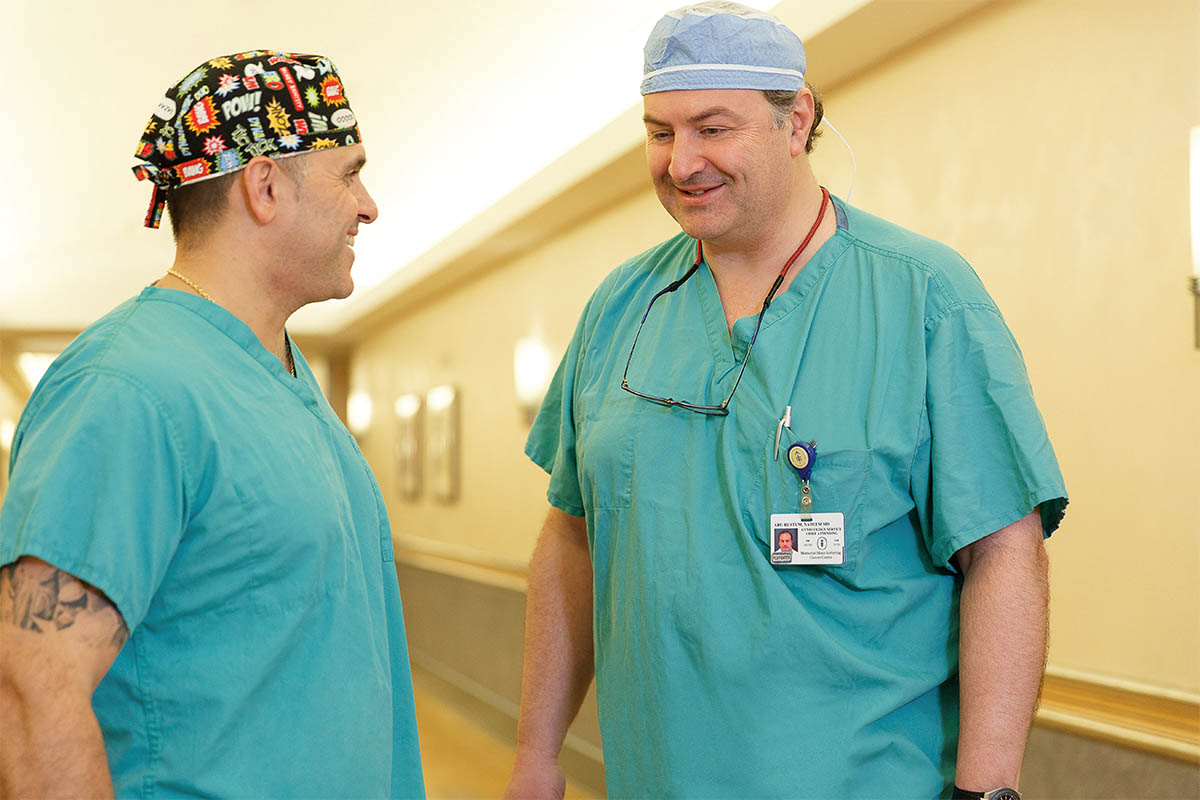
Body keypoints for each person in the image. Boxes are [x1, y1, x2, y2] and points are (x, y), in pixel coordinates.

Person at [505, 4, 1067, 798]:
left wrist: (989, 788)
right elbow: (572, 536)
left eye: (712, 127)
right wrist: (537, 753)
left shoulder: (925, 298)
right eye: (660, 132)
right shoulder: (619, 309)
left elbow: (1005, 551)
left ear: (796, 118)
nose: (682, 161)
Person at [0, 50, 425, 799]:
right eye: (348, 173)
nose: (369, 205)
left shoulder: (286, 377)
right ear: (264, 186)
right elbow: (30, 693)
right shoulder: (128, 386)